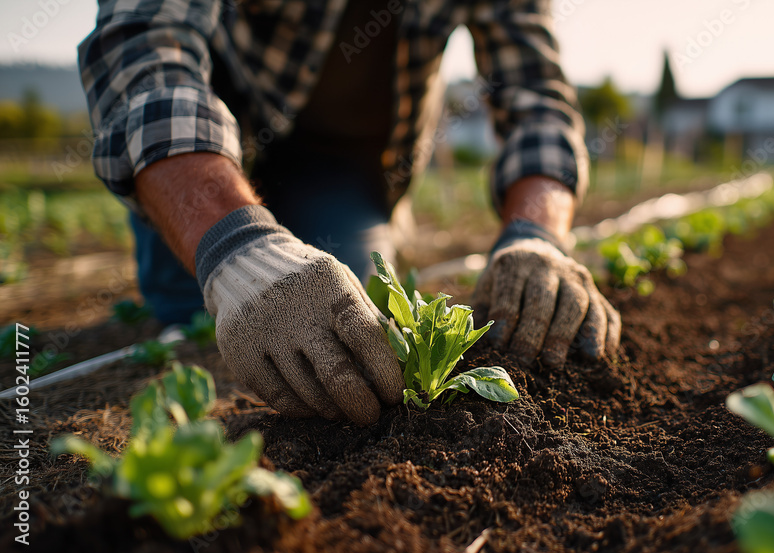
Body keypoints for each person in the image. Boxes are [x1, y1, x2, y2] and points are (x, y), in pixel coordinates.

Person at [79, 0, 621, 425]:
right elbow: (142, 42)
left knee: (350, 320)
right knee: (189, 307)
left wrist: (536, 233)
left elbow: (537, 96)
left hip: (340, 164)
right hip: (215, 132)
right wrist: (231, 244)